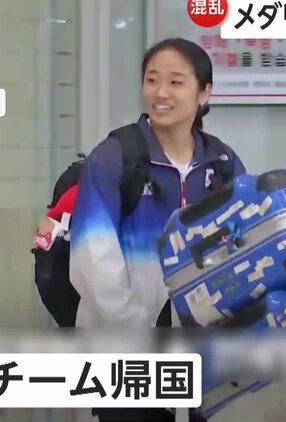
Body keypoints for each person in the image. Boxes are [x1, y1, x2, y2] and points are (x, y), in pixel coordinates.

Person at [69, 38, 246, 421]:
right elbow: (93, 257)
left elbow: (245, 242)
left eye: (176, 82)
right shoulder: (114, 157)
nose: (161, 93)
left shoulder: (221, 162)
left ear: (204, 93)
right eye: (152, 80)